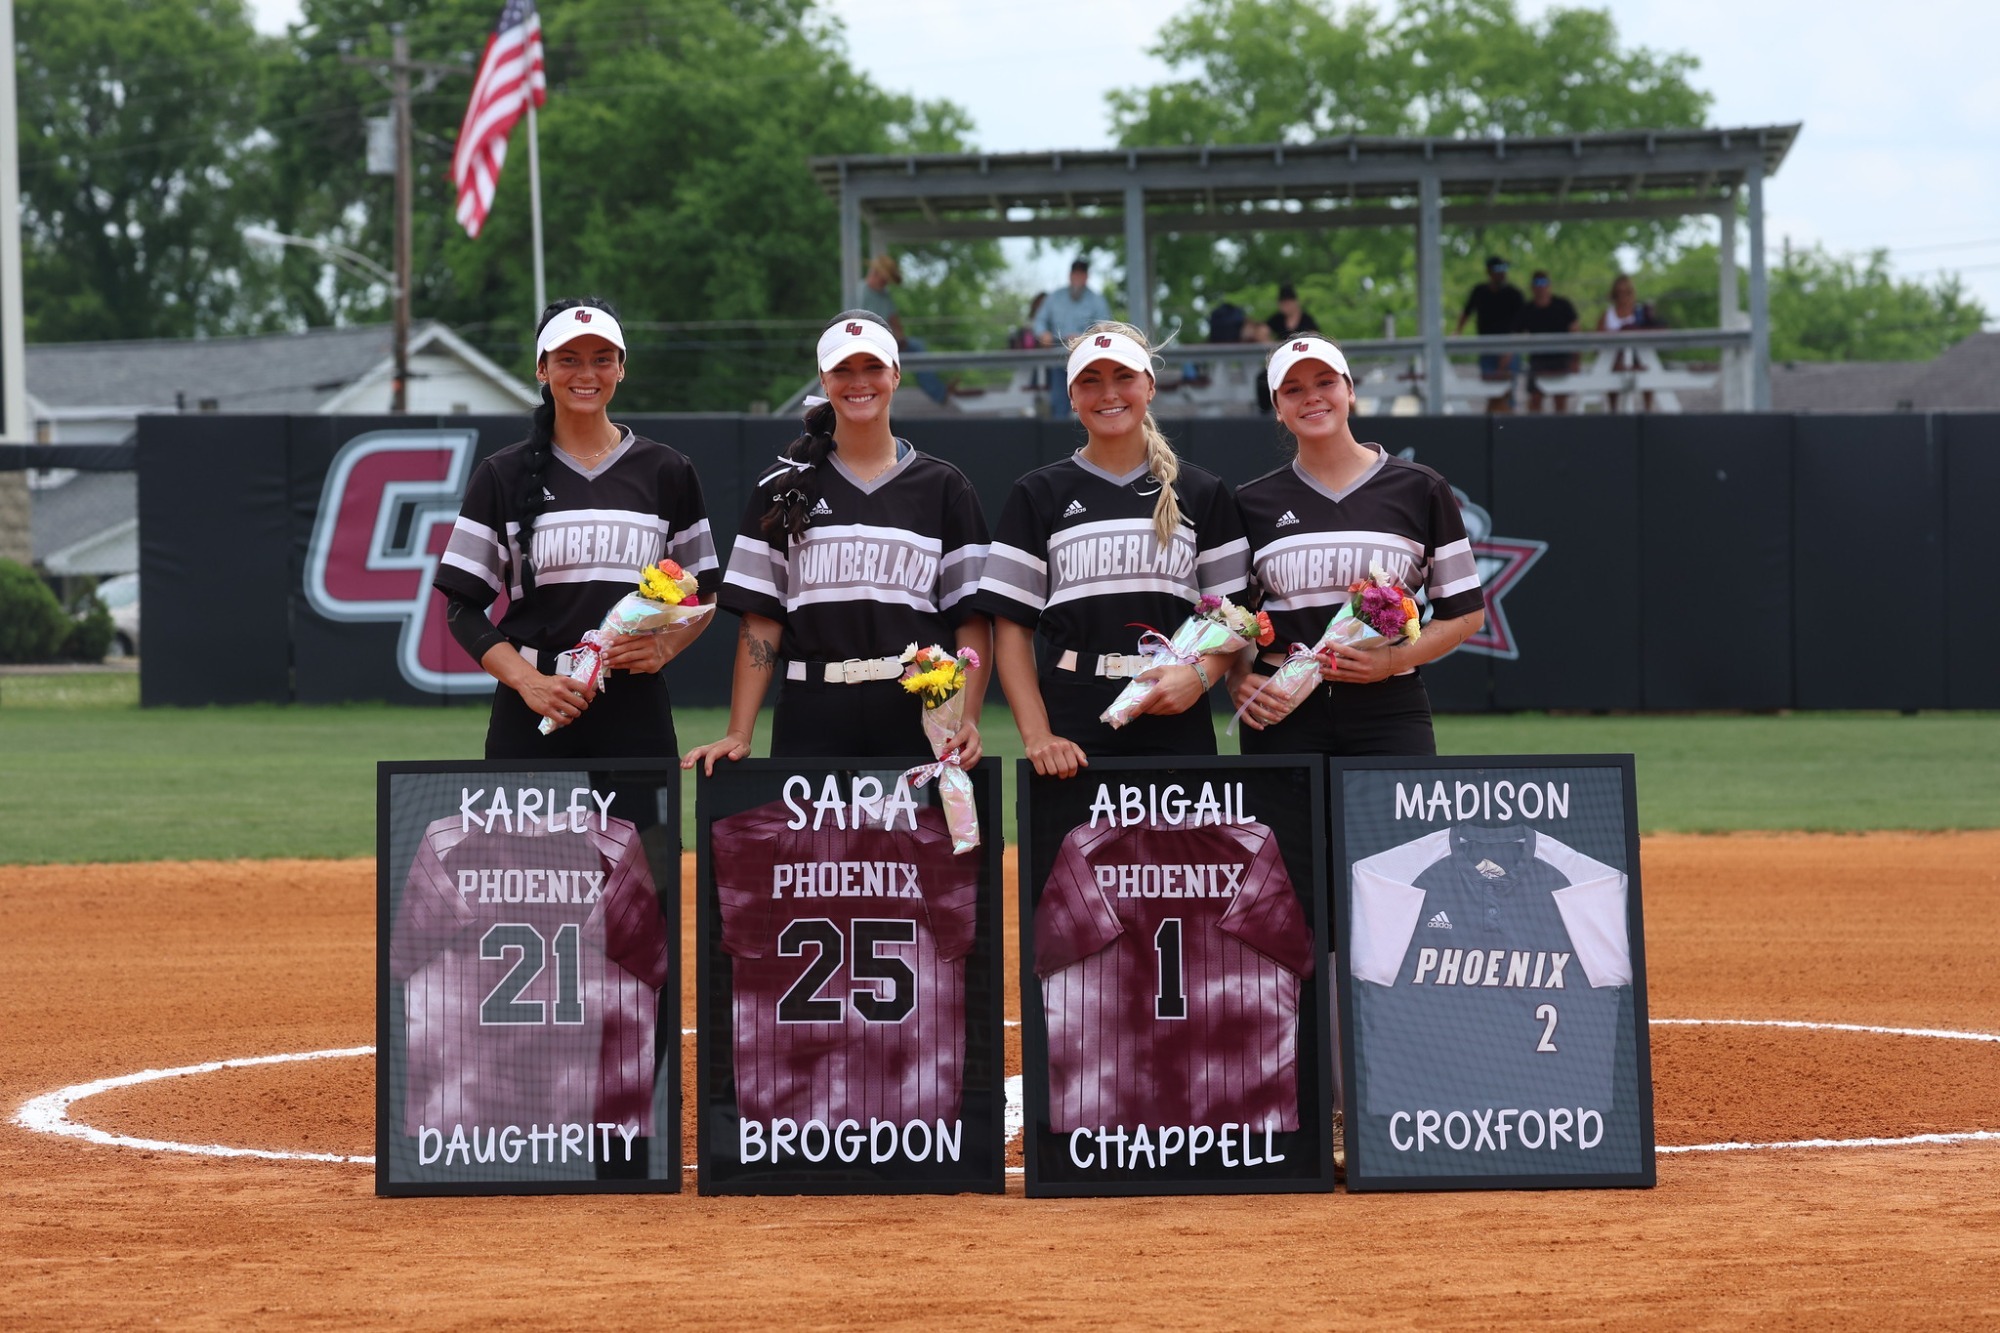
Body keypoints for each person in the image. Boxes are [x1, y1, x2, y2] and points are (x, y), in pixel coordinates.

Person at [683, 310, 992, 771]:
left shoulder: (945, 486)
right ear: (823, 380)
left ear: (896, 374)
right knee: (817, 846)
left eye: (872, 367)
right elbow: (761, 621)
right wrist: (739, 732)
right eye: (842, 370)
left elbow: (970, 620)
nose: (858, 382)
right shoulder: (780, 487)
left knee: (912, 845)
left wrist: (967, 716)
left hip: (918, 713)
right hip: (812, 711)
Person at [435, 297, 718, 758]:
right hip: (535, 706)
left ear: (621, 369)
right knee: (524, 836)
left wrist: (665, 648)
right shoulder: (501, 474)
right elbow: (461, 609)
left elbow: (704, 591)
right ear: (542, 370)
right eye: (568, 360)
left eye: (602, 360)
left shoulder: (667, 470)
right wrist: (530, 683)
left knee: (648, 836)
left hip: (634, 705)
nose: (586, 374)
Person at [977, 322, 1252, 778]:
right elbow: (1011, 630)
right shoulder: (1038, 493)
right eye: (1091, 380)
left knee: (1185, 852)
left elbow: (1236, 616)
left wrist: (1202, 675)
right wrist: (1038, 735)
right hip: (1073, 725)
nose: (1109, 393)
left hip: (1175, 713)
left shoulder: (1202, 492)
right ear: (1071, 395)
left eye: (1124, 377)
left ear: (1150, 386)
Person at [1230, 335, 1486, 757]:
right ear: (1278, 408)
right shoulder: (1251, 501)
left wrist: (1391, 662)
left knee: (1397, 827)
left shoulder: (1419, 487)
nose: (1312, 397)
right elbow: (1232, 620)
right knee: (1288, 828)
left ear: (1349, 389)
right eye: (1293, 390)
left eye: (1325, 382)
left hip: (1388, 707)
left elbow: (1466, 614)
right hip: (1280, 708)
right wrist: (1237, 678)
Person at [857, 254, 947, 404]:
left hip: (886, 340)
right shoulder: (860, 292)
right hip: (869, 342)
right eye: (884, 279)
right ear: (875, 274)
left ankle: (939, 392)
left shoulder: (884, 295)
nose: (885, 283)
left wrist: (900, 338)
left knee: (917, 347)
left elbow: (894, 318)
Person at [1032, 259, 1114, 419]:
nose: (1077, 278)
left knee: (1090, 405)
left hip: (1087, 361)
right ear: (1070, 276)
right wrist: (1043, 333)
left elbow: (1106, 330)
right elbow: (1039, 321)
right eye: (1075, 274)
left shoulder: (1097, 300)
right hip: (1059, 360)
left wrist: (1083, 339)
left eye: (1081, 274)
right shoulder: (1055, 297)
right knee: (1059, 406)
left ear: (1086, 277)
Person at [1456, 256, 1524, 413]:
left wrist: (1511, 347)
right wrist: (1457, 332)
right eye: (1498, 269)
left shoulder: (1514, 294)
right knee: (1491, 391)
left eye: (1504, 269)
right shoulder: (1479, 291)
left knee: (1506, 391)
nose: (1502, 273)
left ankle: (1505, 428)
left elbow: (1523, 323)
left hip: (1509, 349)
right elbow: (1466, 312)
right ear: (1489, 272)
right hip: (1486, 349)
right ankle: (1494, 428)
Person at [1516, 270, 1582, 414]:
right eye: (1537, 283)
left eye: (1544, 282)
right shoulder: (1527, 310)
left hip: (1561, 359)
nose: (1541, 287)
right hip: (1538, 361)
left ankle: (1560, 429)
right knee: (1535, 399)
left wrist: (1576, 359)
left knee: (1560, 398)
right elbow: (1515, 335)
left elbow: (1576, 332)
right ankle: (1535, 431)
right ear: (1532, 287)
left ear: (1549, 285)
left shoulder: (1563, 305)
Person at [1599, 273, 1665, 413]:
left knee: (1648, 367)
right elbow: (1598, 337)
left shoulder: (1641, 312)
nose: (1623, 297)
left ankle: (1648, 409)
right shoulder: (1607, 314)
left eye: (1627, 292)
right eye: (1619, 293)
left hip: (1639, 355)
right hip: (1614, 358)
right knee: (1610, 369)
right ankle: (1613, 410)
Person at [1256, 283, 1321, 412]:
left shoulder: (1306, 319)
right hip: (1282, 361)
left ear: (1295, 302)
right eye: (1283, 303)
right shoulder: (1278, 319)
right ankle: (1267, 411)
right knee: (1262, 380)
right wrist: (1276, 347)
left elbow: (1316, 338)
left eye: (1288, 302)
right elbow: (1261, 332)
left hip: (1303, 359)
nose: (1285, 306)